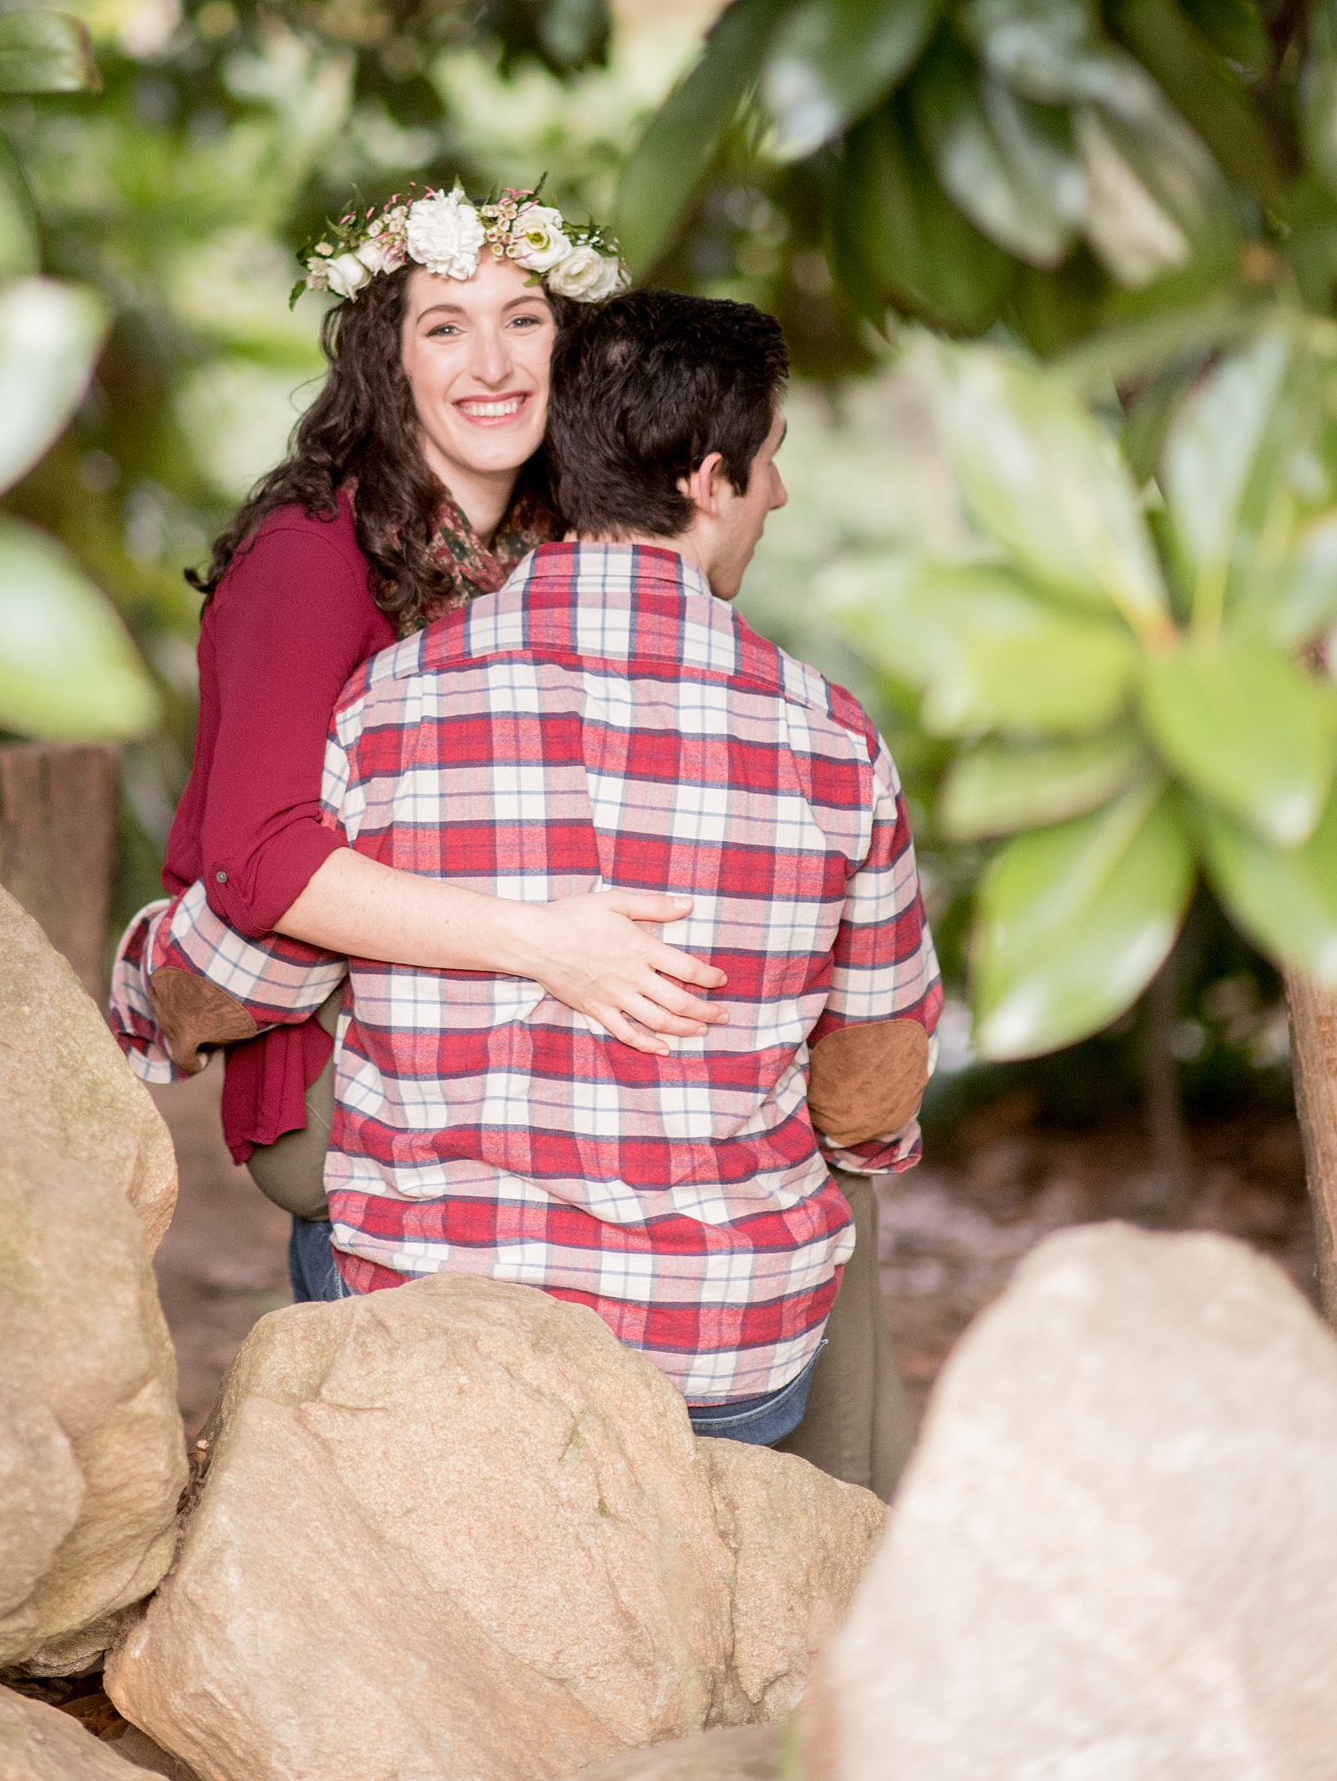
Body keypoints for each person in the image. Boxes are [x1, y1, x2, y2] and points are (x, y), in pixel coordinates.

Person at [152, 287, 940, 1494]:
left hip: (440, 1334)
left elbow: (233, 969)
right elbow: (871, 1078)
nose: (777, 497)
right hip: (723, 1362)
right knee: (832, 1201)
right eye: (771, 464)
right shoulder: (834, 743)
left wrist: (141, 986)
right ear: (709, 480)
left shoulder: (392, 700)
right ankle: (824, 1569)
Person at [110, 187, 727, 1304]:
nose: (491, 360)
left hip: (521, 1029)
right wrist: (546, 943)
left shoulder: (557, 546)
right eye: (444, 324)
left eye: (523, 318)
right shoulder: (310, 555)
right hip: (350, 1066)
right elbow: (261, 860)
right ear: (386, 362)